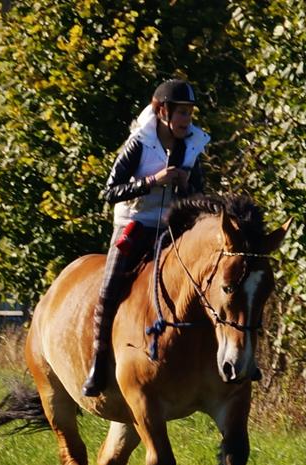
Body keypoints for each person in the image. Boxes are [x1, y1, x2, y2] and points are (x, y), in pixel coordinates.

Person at [82, 78, 210, 397]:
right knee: (109, 291)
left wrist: (186, 186)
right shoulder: (139, 142)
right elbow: (109, 191)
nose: (185, 120)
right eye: (180, 113)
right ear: (162, 111)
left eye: (189, 114)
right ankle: (99, 364)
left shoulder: (194, 145)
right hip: (134, 224)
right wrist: (152, 180)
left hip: (173, 230)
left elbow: (201, 196)